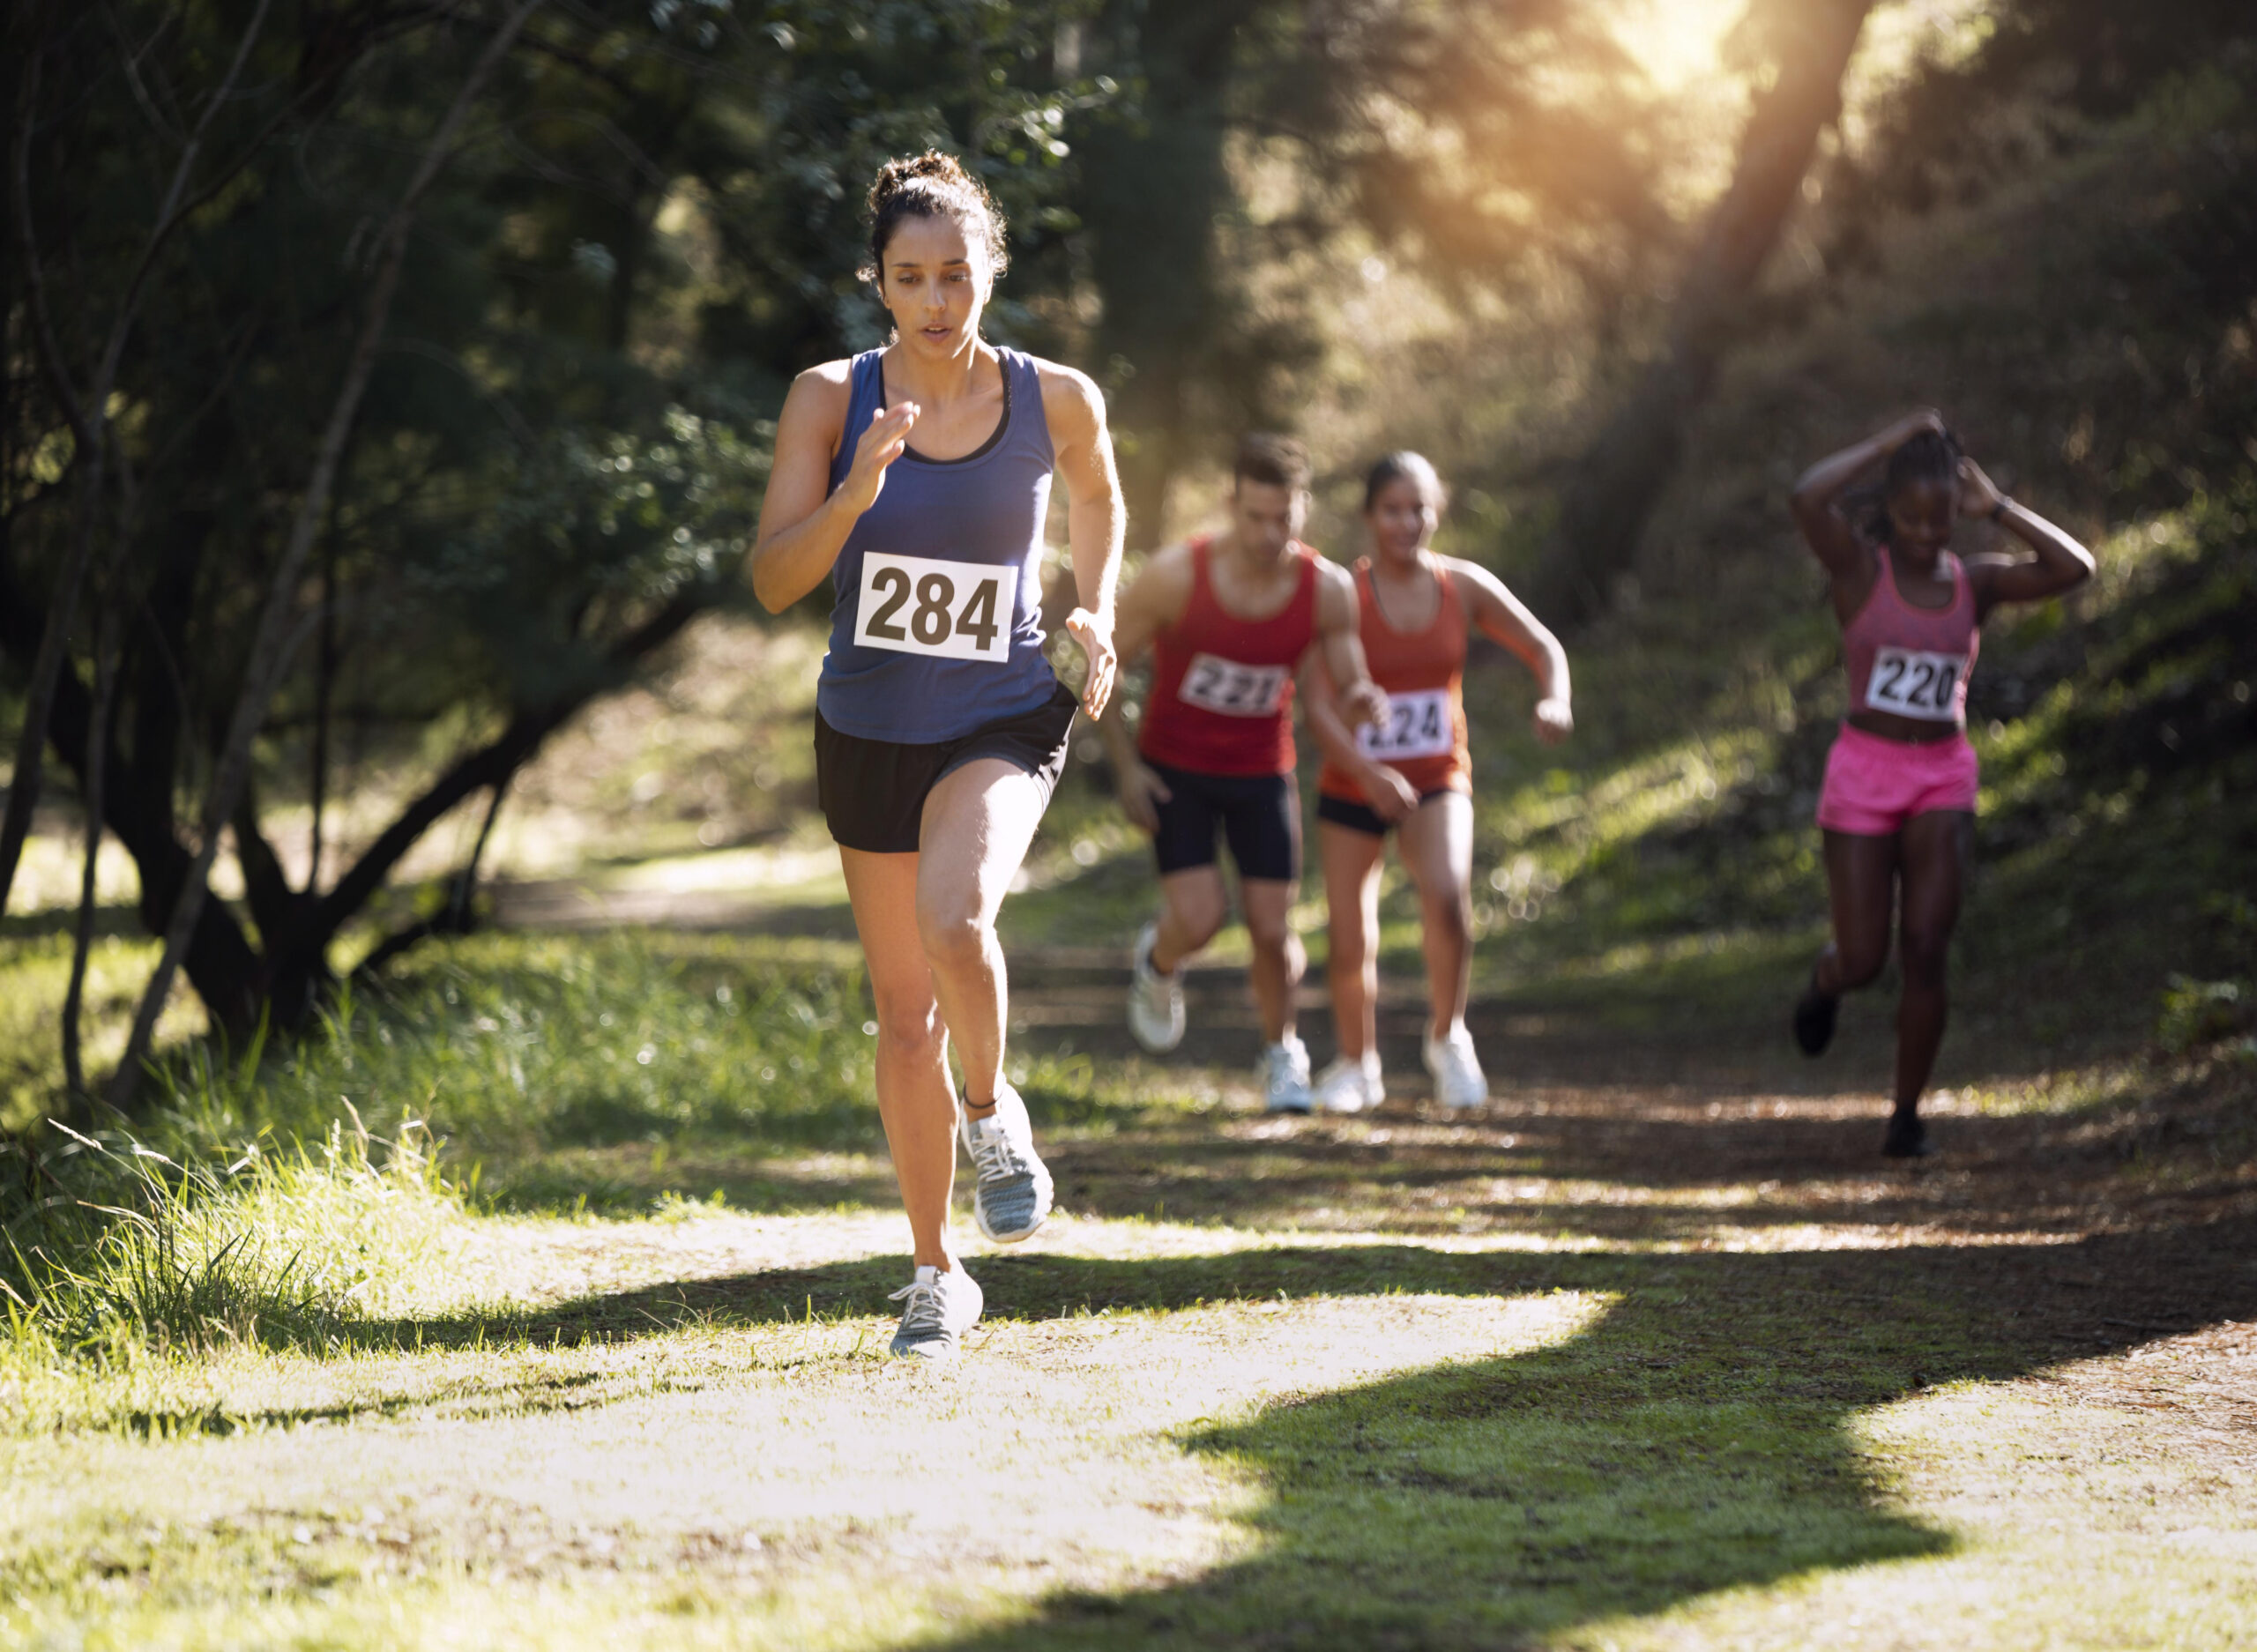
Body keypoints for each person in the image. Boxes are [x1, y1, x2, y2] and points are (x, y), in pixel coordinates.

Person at [748, 152, 1124, 1358]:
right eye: (911, 277)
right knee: (904, 1015)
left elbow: (1102, 500)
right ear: (879, 282)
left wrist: (1094, 606)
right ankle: (934, 1271)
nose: (936, 299)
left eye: (956, 274)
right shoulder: (827, 397)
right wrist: (854, 493)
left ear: (988, 272)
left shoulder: (1053, 395)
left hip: (1002, 712)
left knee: (960, 918)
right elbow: (772, 581)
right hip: (867, 725)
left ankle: (993, 1113)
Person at [1787, 410, 2094, 1157]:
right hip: (1864, 773)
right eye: (1911, 518)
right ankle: (1827, 983)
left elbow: (2075, 569)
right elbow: (1807, 496)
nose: (1927, 532)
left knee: (1926, 946)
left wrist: (2000, 508)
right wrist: (1886, 441)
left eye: (1942, 517)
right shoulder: (1860, 569)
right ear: (1890, 511)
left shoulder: (1976, 582)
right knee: (1866, 961)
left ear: (1958, 512)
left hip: (1942, 775)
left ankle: (1906, 1115)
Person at [1094, 435, 1387, 1112]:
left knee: (1272, 929)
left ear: (1302, 509)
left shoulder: (1327, 589)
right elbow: (1102, 668)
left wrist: (1364, 696)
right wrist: (1127, 771)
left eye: (1282, 518)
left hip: (1261, 771)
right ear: (1232, 506)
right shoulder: (1176, 575)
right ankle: (1158, 964)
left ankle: (1282, 1055)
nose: (1267, 533)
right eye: (1254, 517)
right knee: (1199, 919)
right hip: (1177, 771)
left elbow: (1350, 675)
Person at [1303, 452, 1572, 1113]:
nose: (1406, 522)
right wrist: (1367, 773)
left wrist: (1555, 700)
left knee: (1449, 899)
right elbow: (1313, 704)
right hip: (1352, 780)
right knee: (1348, 935)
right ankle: (1355, 1063)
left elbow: (1544, 646)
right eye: (1392, 509)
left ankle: (1449, 1038)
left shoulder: (1464, 585)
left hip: (1437, 774)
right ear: (1369, 517)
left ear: (1437, 510)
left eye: (1418, 508)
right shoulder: (1342, 593)